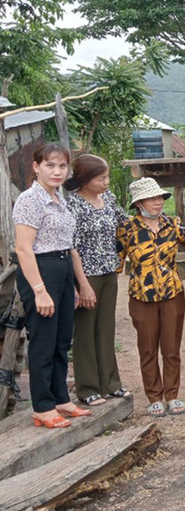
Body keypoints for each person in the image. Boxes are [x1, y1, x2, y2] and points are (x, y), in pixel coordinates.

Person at [13, 143, 95, 428]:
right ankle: (42, 406)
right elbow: (23, 249)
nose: (57, 171)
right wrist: (39, 290)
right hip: (41, 270)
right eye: (50, 165)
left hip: (62, 268)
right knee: (44, 341)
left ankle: (61, 398)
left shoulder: (60, 199)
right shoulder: (29, 200)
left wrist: (76, 284)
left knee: (61, 340)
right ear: (36, 167)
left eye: (62, 166)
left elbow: (68, 246)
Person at [118, 177, 185, 416]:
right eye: (151, 198)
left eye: (160, 197)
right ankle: (154, 397)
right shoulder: (127, 228)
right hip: (142, 296)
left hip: (172, 293)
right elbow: (116, 261)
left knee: (171, 348)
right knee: (147, 349)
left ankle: (172, 395)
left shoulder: (173, 224)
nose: (158, 202)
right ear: (139, 203)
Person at [64, 154, 130, 407]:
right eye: (101, 178)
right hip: (86, 275)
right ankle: (88, 387)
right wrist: (82, 285)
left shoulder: (108, 198)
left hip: (109, 272)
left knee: (106, 328)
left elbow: (126, 223)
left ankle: (111, 383)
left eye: (107, 177)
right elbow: (72, 247)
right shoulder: (74, 205)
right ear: (85, 179)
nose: (106, 182)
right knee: (85, 331)